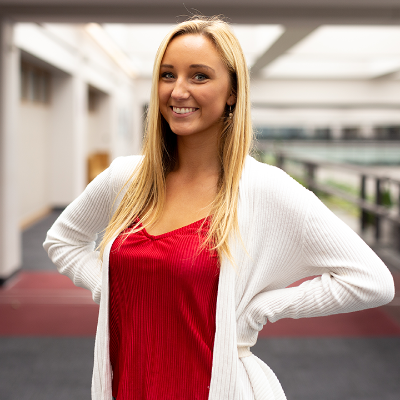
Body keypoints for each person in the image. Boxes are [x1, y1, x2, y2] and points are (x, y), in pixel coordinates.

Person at [43, 16, 395, 400]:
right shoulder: (128, 178)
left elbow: (371, 281)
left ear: (232, 92)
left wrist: (264, 307)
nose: (178, 91)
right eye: (167, 75)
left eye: (199, 76)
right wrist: (106, 285)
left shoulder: (263, 188)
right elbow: (63, 240)